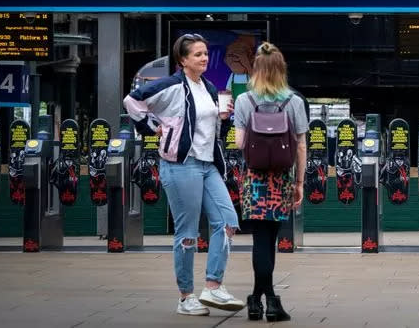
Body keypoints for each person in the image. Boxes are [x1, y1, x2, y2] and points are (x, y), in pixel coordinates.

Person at [123, 33, 245, 316]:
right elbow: (132, 101)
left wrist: (222, 119)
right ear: (182, 60)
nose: (204, 58)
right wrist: (152, 128)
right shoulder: (171, 86)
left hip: (208, 165)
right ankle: (186, 297)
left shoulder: (210, 88)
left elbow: (213, 132)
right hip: (181, 165)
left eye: (205, 53)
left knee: (227, 222)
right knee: (187, 232)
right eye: (198, 54)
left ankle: (213, 286)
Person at [234, 42, 308, 322]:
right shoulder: (294, 101)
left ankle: (256, 301)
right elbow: (301, 146)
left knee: (259, 240)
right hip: (282, 179)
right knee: (271, 240)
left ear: (255, 70)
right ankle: (271, 301)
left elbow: (240, 142)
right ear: (281, 70)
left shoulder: (244, 101)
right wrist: (299, 182)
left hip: (254, 179)